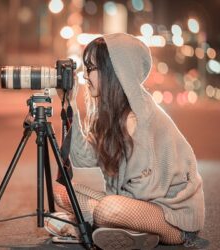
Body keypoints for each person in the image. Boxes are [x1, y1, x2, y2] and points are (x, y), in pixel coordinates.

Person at [45, 33, 206, 249]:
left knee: (108, 209)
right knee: (61, 191)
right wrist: (70, 102)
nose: (84, 75)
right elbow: (82, 158)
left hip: (172, 218)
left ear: (115, 71)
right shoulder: (113, 114)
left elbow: (146, 193)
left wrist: (105, 207)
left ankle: (92, 224)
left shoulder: (140, 118)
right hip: (132, 207)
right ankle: (118, 229)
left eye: (91, 68)